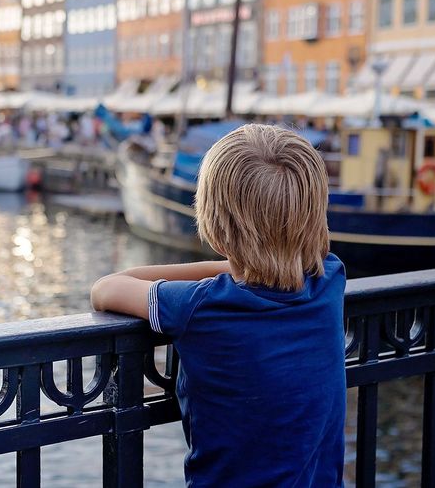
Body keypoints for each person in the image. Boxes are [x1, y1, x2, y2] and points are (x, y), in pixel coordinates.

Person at [91, 124, 346, 487]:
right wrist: (255, 261)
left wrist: (236, 264)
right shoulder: (330, 280)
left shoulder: (201, 306)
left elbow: (107, 288)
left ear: (215, 221)